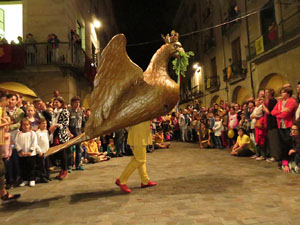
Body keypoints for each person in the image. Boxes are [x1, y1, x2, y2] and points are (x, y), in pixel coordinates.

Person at [116, 121, 156, 193]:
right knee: (139, 160)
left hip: (139, 133)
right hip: (139, 134)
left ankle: (145, 180)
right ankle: (122, 180)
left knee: (141, 159)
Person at [272, 87, 298, 167]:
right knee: (283, 144)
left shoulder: (292, 101)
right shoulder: (280, 102)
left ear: (288, 93)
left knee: (290, 143)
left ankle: (292, 159)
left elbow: (286, 114)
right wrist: (281, 111)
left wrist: (279, 114)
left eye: (283, 92)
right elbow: (273, 112)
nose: (281, 94)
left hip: (289, 125)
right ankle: (285, 161)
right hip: (281, 125)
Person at [49, 97, 70, 180]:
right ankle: (62, 169)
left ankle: (65, 170)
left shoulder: (64, 111)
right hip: (55, 134)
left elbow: (65, 124)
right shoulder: (54, 112)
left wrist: (56, 125)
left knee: (63, 153)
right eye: (54, 102)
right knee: (58, 153)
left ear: (61, 103)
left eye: (57, 102)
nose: (55, 104)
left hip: (61, 134)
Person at [15, 119, 38, 187]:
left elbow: (34, 142)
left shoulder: (32, 133)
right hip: (22, 154)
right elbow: (16, 143)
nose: (25, 126)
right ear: (21, 126)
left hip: (30, 154)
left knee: (31, 167)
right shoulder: (19, 134)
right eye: (24, 125)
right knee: (23, 167)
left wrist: (30, 151)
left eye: (27, 125)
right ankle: (25, 179)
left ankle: (32, 179)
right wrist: (20, 151)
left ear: (29, 125)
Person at [68, 96, 85, 170]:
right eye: (76, 102)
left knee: (79, 149)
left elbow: (83, 123)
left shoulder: (81, 112)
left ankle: (78, 164)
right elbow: (66, 124)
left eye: (78, 102)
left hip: (78, 132)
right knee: (70, 150)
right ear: (72, 103)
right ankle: (69, 165)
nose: (77, 104)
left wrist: (83, 132)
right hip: (71, 133)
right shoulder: (69, 111)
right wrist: (69, 133)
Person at [36, 118, 50, 183]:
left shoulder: (46, 131)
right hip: (41, 151)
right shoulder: (37, 133)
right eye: (43, 123)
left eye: (45, 123)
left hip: (46, 150)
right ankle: (43, 177)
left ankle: (47, 176)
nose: (45, 125)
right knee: (42, 165)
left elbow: (48, 140)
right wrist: (39, 151)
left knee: (47, 164)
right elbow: (36, 143)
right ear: (39, 125)